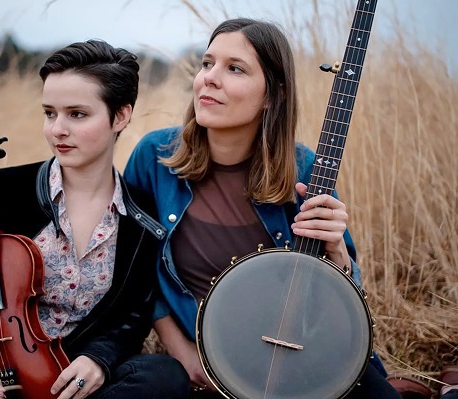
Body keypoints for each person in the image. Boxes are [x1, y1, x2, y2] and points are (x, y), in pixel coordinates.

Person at [0, 40, 189, 399]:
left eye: (77, 114)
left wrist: (98, 359)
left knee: (163, 377)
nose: (58, 129)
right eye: (50, 113)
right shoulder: (1, 191)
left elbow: (131, 317)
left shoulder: (141, 219)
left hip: (73, 384)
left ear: (120, 116)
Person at [123, 18, 401, 399]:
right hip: (206, 363)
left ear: (272, 94)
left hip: (295, 358)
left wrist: (337, 254)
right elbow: (133, 274)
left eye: (234, 68)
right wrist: (182, 351)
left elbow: (339, 303)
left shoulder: (304, 169)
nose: (210, 78)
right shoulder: (155, 158)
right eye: (207, 64)